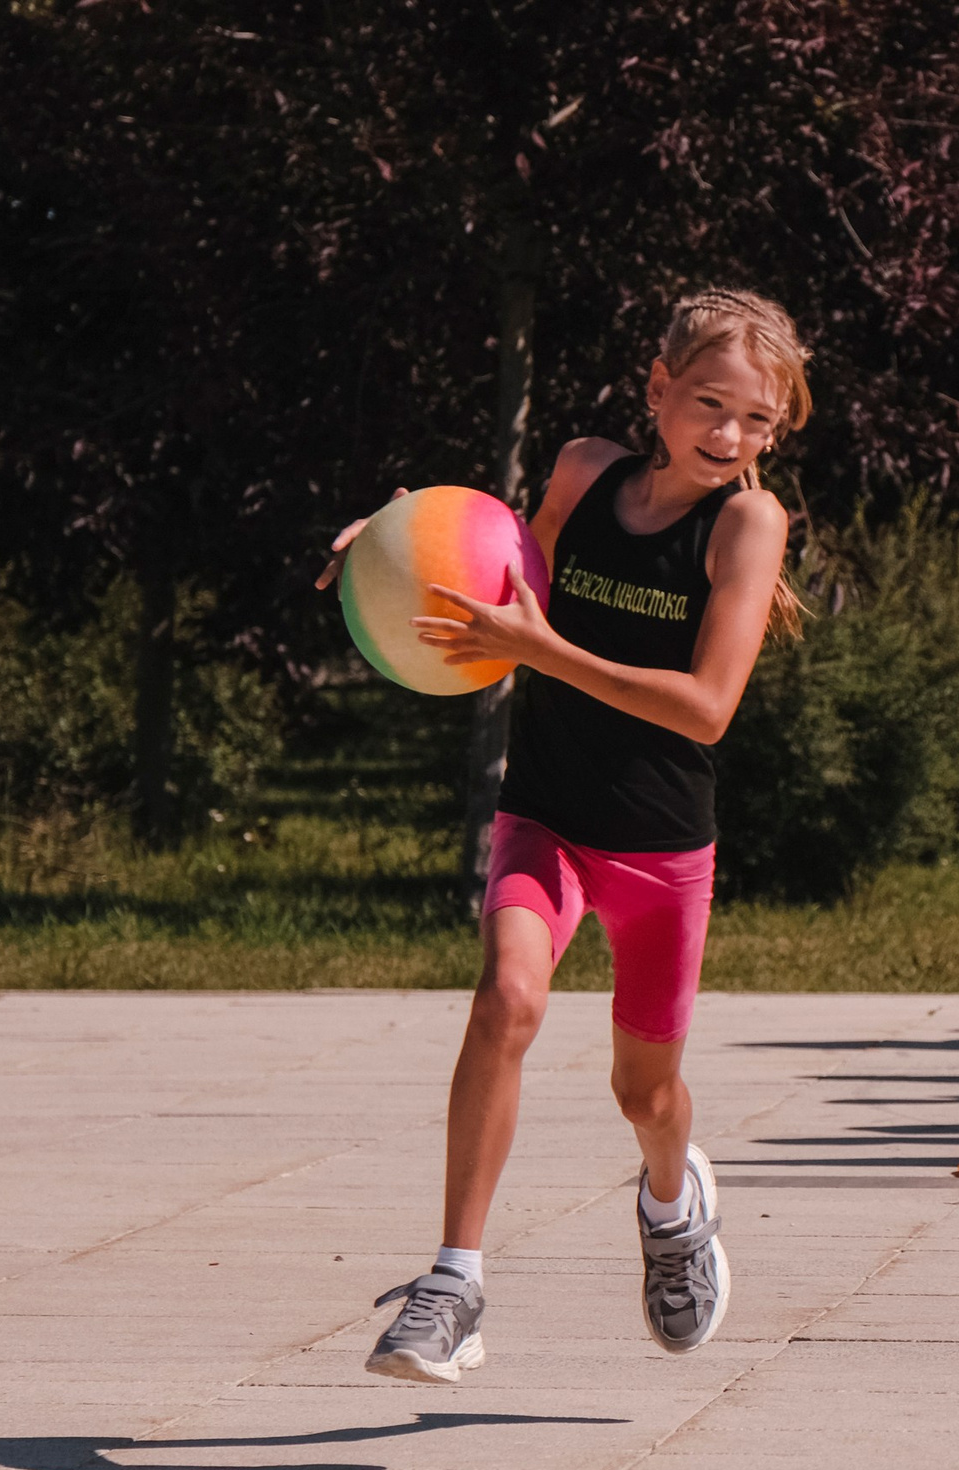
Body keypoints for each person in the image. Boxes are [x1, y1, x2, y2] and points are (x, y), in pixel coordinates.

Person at [327, 288, 809, 1383]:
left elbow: (706, 706)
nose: (727, 437)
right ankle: (452, 1283)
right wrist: (387, 555)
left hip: (659, 848)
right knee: (506, 1000)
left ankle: (673, 1203)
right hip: (544, 813)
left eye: (754, 421)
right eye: (706, 405)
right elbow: (500, 584)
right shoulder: (584, 472)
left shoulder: (746, 523)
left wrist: (538, 650)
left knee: (643, 1096)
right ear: (656, 389)